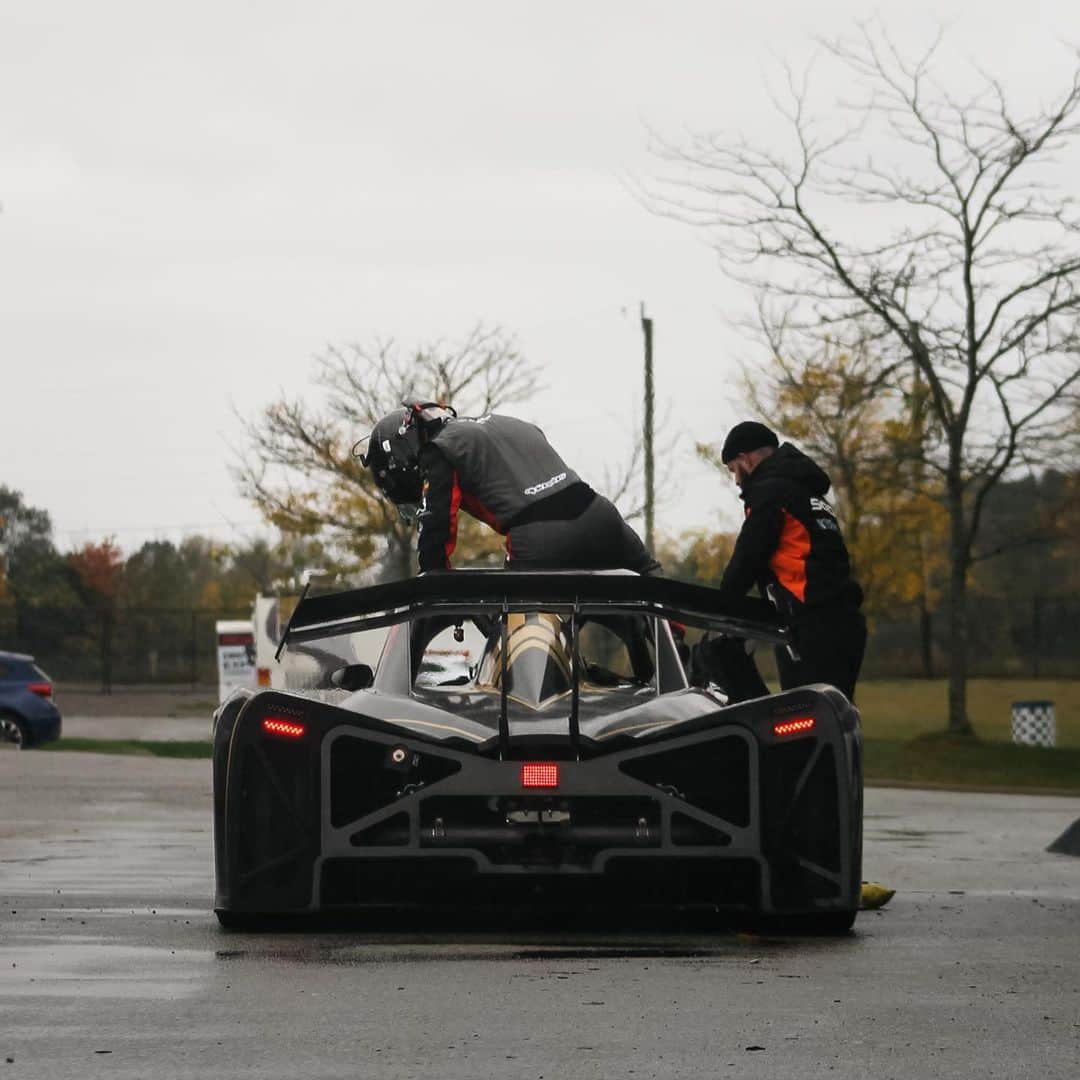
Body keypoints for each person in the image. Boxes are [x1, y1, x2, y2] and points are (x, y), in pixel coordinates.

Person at [359, 401, 657, 574]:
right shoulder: (506, 422)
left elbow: (436, 530)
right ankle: (678, 661)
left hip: (539, 538)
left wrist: (431, 578)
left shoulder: (438, 449)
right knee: (657, 592)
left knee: (514, 643)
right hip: (601, 515)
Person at [698, 420, 867, 702]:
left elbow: (746, 561)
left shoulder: (770, 492)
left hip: (811, 629)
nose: (737, 481)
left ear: (746, 458)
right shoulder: (808, 493)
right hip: (846, 623)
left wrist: (719, 615)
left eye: (733, 470)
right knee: (835, 719)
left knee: (803, 723)